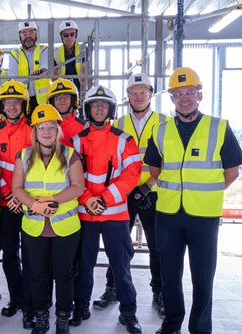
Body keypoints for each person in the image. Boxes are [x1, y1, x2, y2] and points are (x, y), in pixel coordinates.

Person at [144, 67, 242, 334]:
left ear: (199, 95)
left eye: (190, 92)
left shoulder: (219, 127)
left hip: (204, 217)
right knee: (170, 276)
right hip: (167, 214)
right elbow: (154, 169)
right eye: (178, 93)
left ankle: (200, 328)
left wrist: (207, 191)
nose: (184, 98)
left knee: (202, 278)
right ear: (172, 98)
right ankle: (171, 323)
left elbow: (232, 170)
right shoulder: (161, 130)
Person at [92, 73, 169, 318]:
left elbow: (170, 159)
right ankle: (112, 288)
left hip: (153, 193)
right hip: (122, 193)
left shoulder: (165, 122)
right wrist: (127, 189)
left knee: (157, 246)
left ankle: (159, 292)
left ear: (151, 94)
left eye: (143, 91)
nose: (138, 96)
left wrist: (147, 187)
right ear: (127, 96)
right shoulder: (118, 123)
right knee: (119, 246)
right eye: (134, 92)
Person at [71, 86, 143, 333]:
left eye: (104, 105)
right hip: (85, 214)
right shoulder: (76, 141)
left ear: (110, 109)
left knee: (120, 267)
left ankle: (128, 312)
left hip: (115, 215)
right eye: (94, 105)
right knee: (84, 265)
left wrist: (104, 199)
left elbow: (133, 173)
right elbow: (70, 176)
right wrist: (89, 199)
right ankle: (81, 308)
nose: (99, 108)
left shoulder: (124, 140)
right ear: (87, 109)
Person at [12, 104, 85, 334]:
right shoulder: (23, 156)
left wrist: (51, 199)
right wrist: (34, 205)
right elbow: (17, 187)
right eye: (41, 127)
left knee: (64, 275)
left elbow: (78, 187)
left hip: (65, 226)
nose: (46, 131)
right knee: (37, 275)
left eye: (51, 127)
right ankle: (41, 316)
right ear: (34, 131)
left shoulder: (70, 155)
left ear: (58, 130)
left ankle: (62, 317)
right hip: (34, 226)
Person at [0, 79, 35, 329]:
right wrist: (9, 195)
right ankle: (16, 299)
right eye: (8, 102)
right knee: (8, 256)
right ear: (2, 105)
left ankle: (30, 305)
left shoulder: (35, 131)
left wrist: (22, 197)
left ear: (24, 105)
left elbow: (39, 169)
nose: (12, 106)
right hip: (6, 206)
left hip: (29, 205)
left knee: (31, 257)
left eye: (17, 102)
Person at [9, 21, 50, 113]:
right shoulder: (14, 54)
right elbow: (12, 76)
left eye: (31, 32)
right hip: (22, 99)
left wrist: (41, 71)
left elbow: (45, 66)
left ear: (36, 35)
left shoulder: (43, 49)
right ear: (20, 36)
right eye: (24, 33)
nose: (28, 36)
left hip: (42, 100)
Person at [47, 78, 85, 147]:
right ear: (51, 102)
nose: (62, 100)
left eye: (66, 97)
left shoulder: (85, 127)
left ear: (73, 100)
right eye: (58, 97)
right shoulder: (44, 127)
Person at [54, 20, 87, 96]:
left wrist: (83, 93)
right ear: (61, 36)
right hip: (63, 89)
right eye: (66, 35)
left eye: (72, 34)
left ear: (76, 35)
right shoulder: (55, 53)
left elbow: (85, 73)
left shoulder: (83, 49)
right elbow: (54, 77)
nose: (69, 37)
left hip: (80, 88)